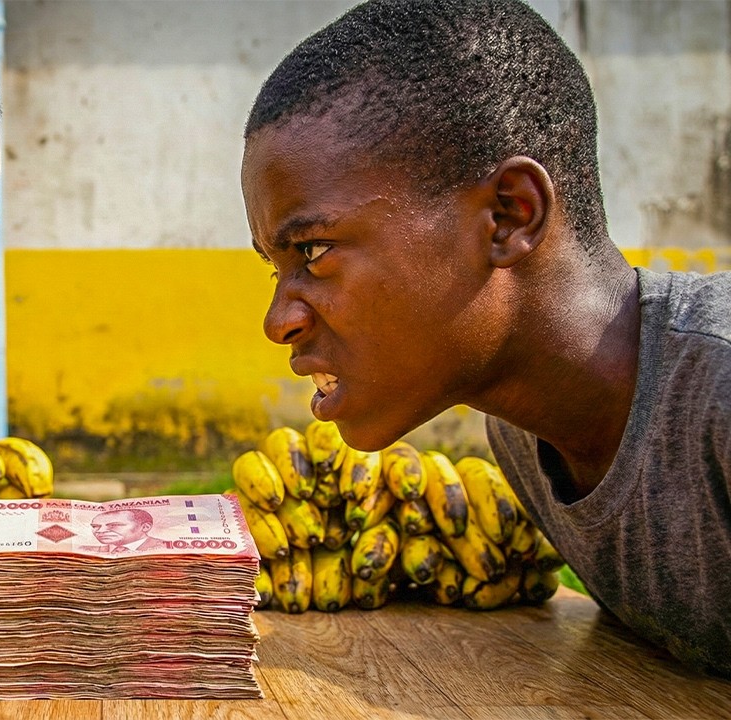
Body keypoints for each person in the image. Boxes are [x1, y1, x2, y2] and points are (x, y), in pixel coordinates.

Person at [241, 0, 729, 676]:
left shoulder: (719, 400)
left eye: (315, 251)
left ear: (507, 216)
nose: (278, 321)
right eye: (276, 265)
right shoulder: (526, 439)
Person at [79, 509, 168, 553]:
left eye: (114, 525)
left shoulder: (164, 548)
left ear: (145, 527)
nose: (100, 531)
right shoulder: (85, 550)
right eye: (95, 526)